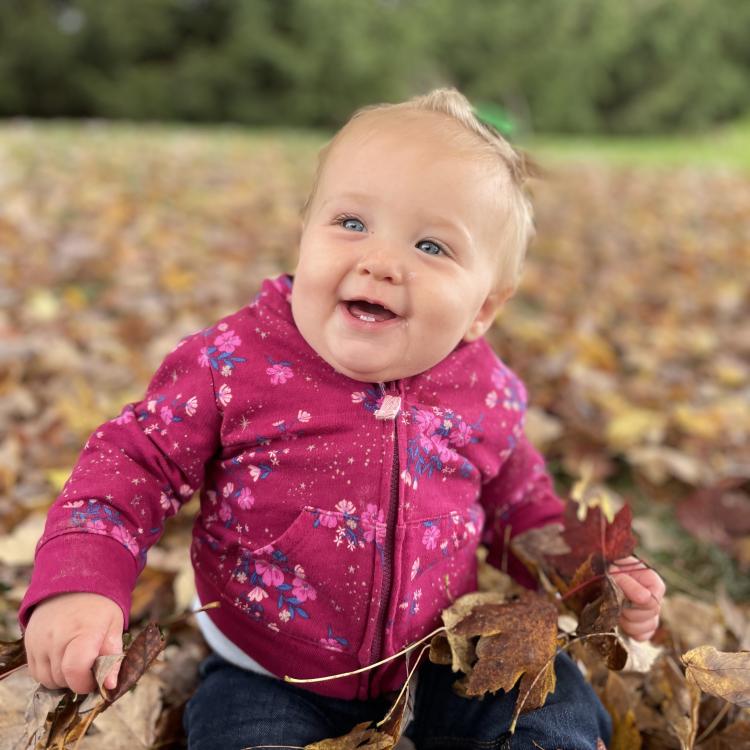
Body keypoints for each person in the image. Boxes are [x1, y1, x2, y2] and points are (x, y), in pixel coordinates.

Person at [20, 88, 664, 749]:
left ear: (483, 310)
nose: (380, 262)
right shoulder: (236, 363)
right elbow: (133, 464)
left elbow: (522, 509)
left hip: (441, 658)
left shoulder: (484, 393)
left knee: (551, 706)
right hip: (265, 668)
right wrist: (81, 580)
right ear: (304, 236)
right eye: (352, 223)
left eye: (431, 246)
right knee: (244, 737)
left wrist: (593, 581)